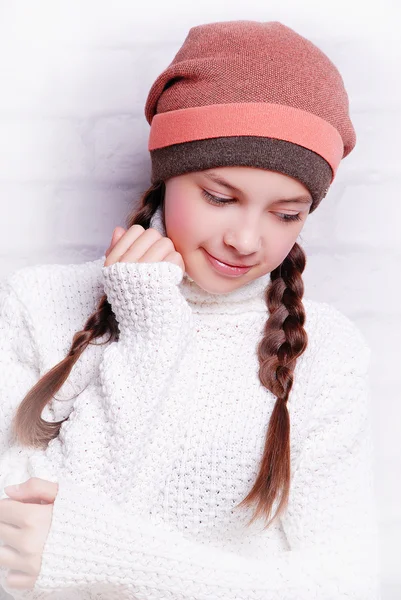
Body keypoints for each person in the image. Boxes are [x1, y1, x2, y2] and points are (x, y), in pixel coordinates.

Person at [0, 19, 381, 600]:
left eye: (287, 213)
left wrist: (114, 559)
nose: (248, 241)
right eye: (220, 197)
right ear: (169, 174)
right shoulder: (39, 305)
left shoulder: (328, 352)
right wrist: (149, 334)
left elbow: (342, 585)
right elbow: (17, 553)